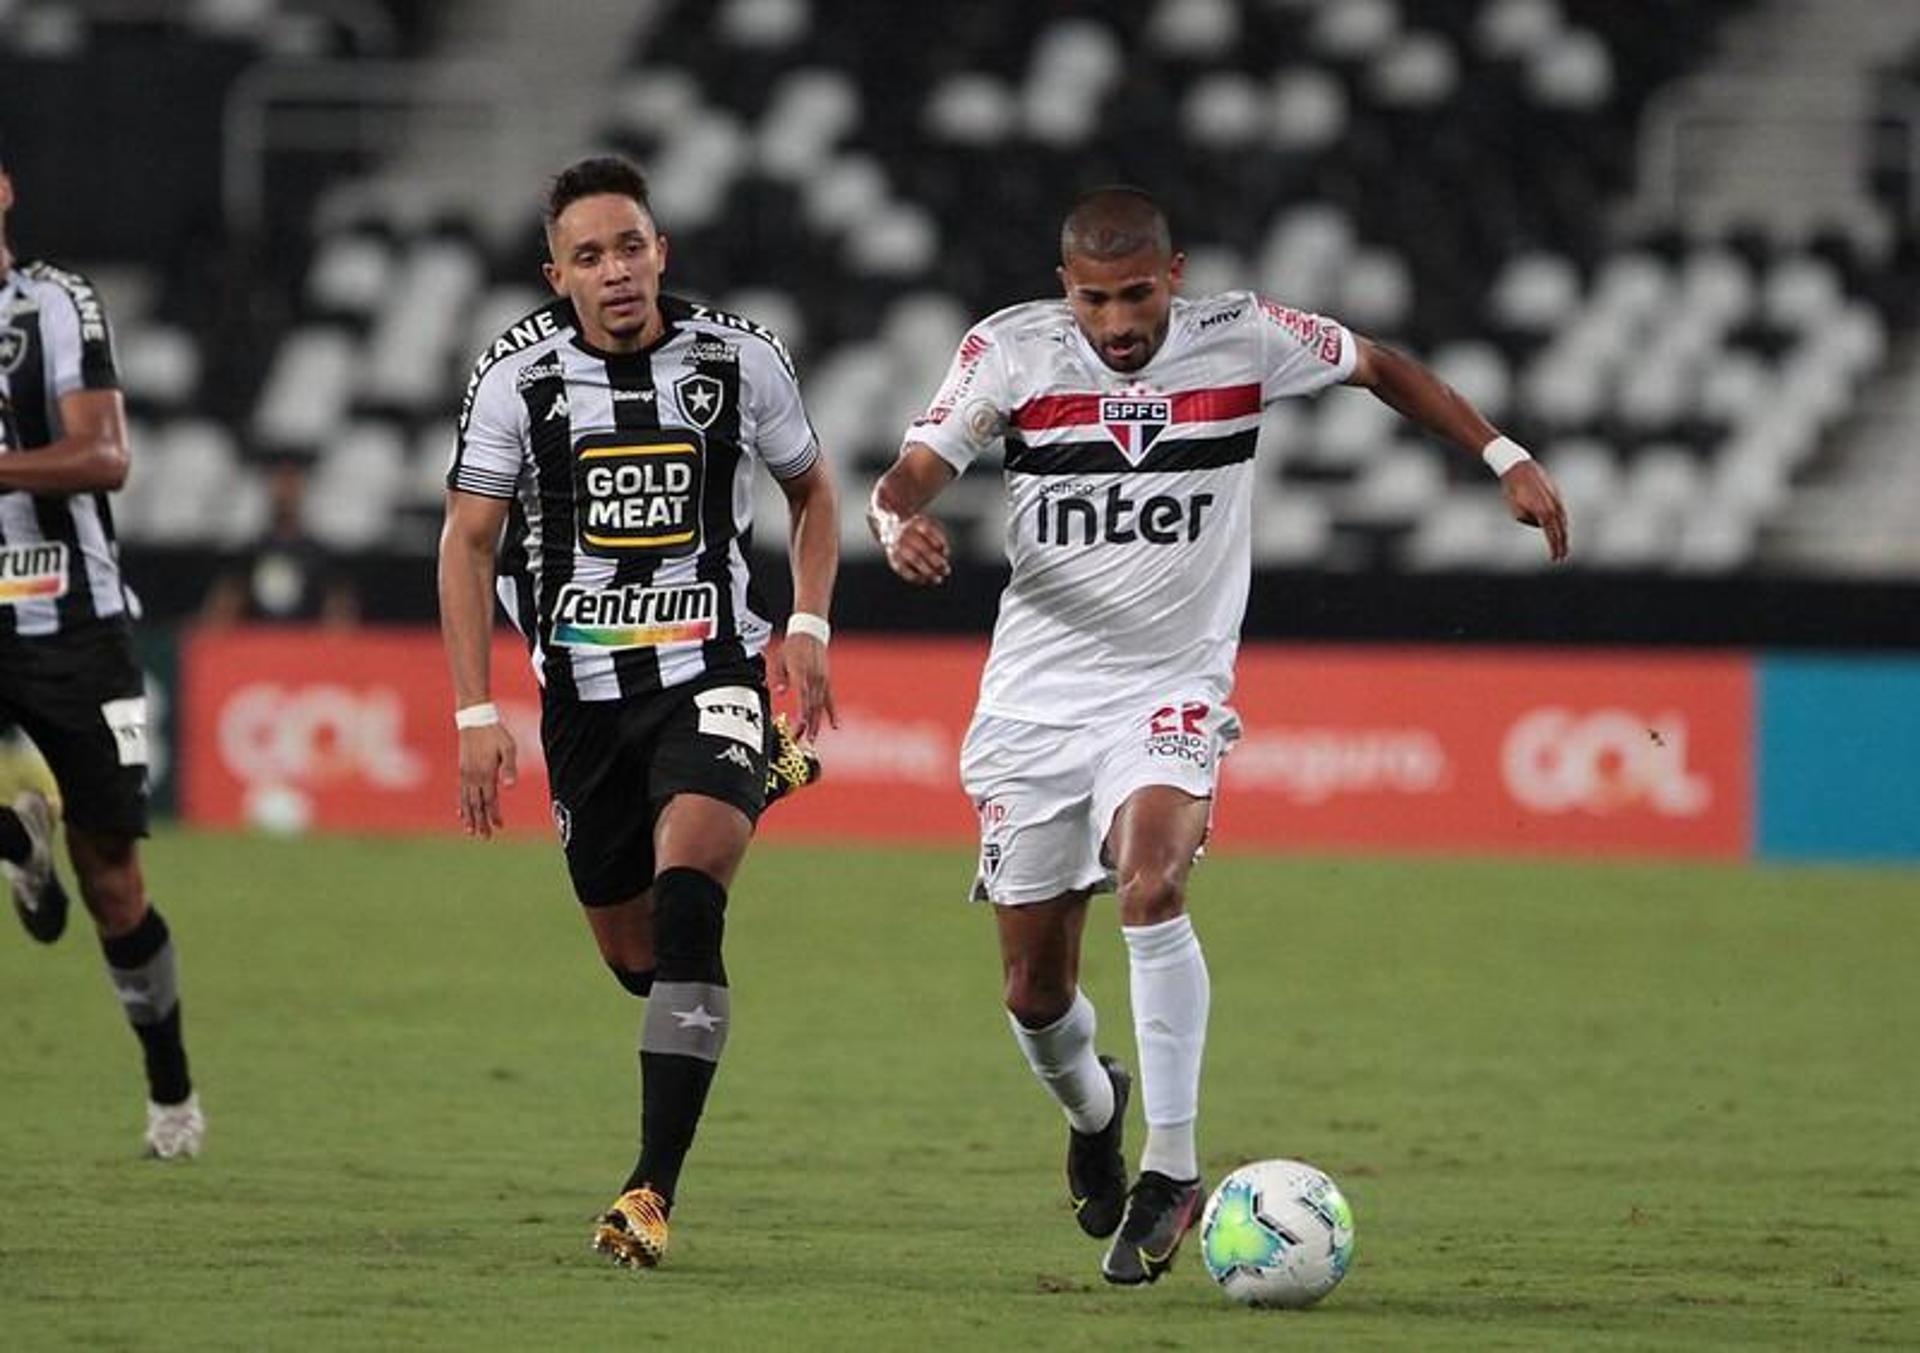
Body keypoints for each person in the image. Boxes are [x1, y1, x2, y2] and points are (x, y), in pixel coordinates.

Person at [869, 186, 1568, 1286]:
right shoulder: (1011, 352)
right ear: (1067, 290)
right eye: (1095, 300)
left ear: (1175, 273)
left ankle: (1173, 1171)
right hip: (1033, 708)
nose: (1117, 323)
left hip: (1169, 688)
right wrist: (895, 519)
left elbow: (1379, 364)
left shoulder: (1240, 338)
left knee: (1152, 885)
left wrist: (1501, 456)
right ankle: (1096, 1112)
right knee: (1032, 995)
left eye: (1137, 293)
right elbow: (912, 470)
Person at [438, 155, 839, 1269]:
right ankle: (760, 772)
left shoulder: (739, 358)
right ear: (555, 274)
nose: (616, 272)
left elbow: (812, 493)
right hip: (581, 703)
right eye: (589, 256)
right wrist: (475, 709)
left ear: (660, 249)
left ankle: (650, 1191)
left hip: (710, 672)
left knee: (692, 899)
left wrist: (804, 627)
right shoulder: (517, 379)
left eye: (631, 247)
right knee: (639, 959)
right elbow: (469, 542)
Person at [0, 133, 204, 1158]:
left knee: (112, 878)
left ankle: (171, 1094)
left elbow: (105, 455)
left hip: (71, 618)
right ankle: (9, 838)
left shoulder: (51, 304)